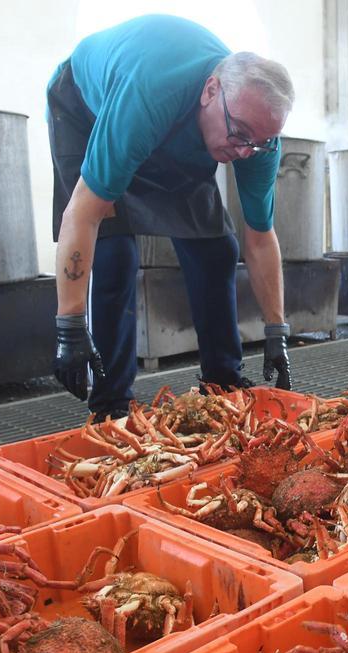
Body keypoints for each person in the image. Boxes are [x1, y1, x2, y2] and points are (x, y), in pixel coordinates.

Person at [48, 14, 295, 420]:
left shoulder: (253, 137)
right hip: (86, 110)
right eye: (241, 135)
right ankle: (112, 406)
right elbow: (84, 212)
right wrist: (68, 325)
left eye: (261, 142)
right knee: (115, 256)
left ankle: (223, 385)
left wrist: (276, 332)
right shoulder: (147, 96)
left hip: (181, 129)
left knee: (217, 250)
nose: (247, 151)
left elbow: (260, 237)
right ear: (210, 91)